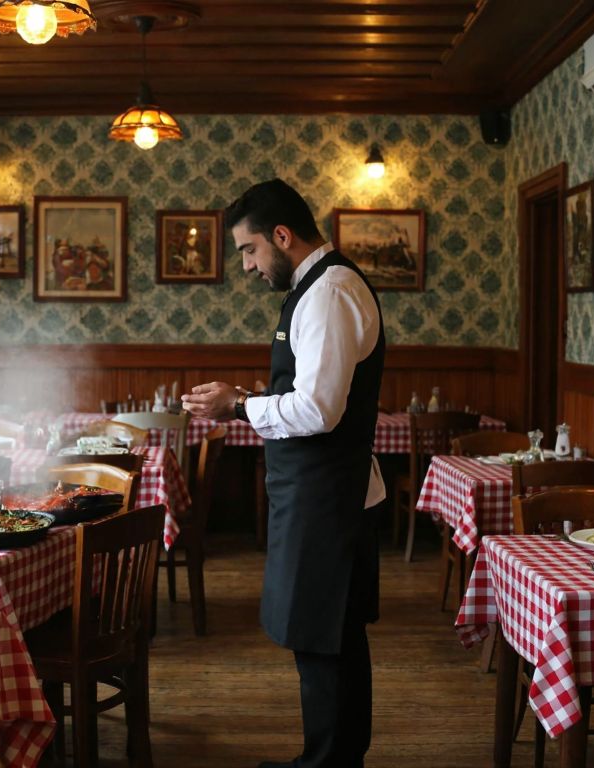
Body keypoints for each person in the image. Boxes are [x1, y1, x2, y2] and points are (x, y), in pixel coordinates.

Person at [182, 178, 385, 768]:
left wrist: (238, 405)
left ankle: (327, 764)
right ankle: (328, 760)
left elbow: (319, 410)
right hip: (320, 495)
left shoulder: (329, 292)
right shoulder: (315, 288)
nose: (246, 265)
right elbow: (307, 397)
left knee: (326, 643)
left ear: (281, 235)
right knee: (326, 641)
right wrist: (246, 397)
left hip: (330, 500)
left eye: (249, 250)